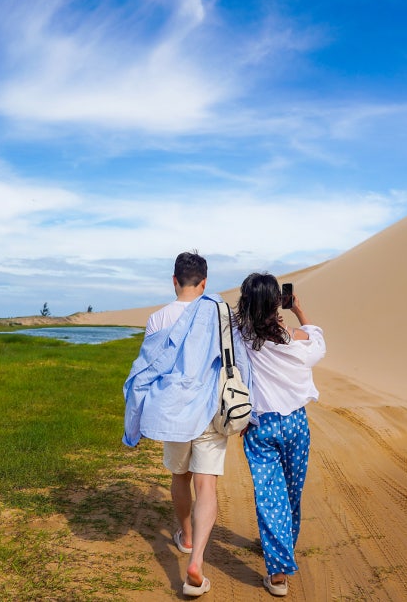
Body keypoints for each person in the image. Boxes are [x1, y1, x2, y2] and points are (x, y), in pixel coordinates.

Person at [123, 251, 251, 598]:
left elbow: (146, 370)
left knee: (180, 476)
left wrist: (133, 421)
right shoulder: (222, 313)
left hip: (172, 411)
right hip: (211, 409)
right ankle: (196, 561)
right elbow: (239, 363)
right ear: (205, 283)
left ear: (175, 281)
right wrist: (246, 410)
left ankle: (186, 536)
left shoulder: (158, 318)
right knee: (206, 485)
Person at [235, 273, 325, 597]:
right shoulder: (293, 339)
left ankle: (278, 573)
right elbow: (319, 344)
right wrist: (299, 311)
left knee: (271, 497)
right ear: (278, 303)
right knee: (290, 493)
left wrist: (253, 310)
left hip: (261, 428)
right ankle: (283, 551)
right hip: (296, 426)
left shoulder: (240, 335)